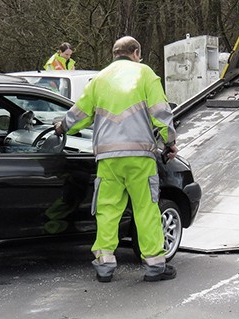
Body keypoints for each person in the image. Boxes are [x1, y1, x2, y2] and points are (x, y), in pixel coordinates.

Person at [54, 36, 179, 283]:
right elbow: (160, 113)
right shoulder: (145, 74)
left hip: (108, 158)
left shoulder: (98, 80)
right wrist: (170, 141)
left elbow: (79, 114)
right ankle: (154, 264)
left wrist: (61, 127)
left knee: (107, 210)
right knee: (145, 208)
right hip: (139, 157)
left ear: (114, 54)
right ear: (135, 53)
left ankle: (105, 265)